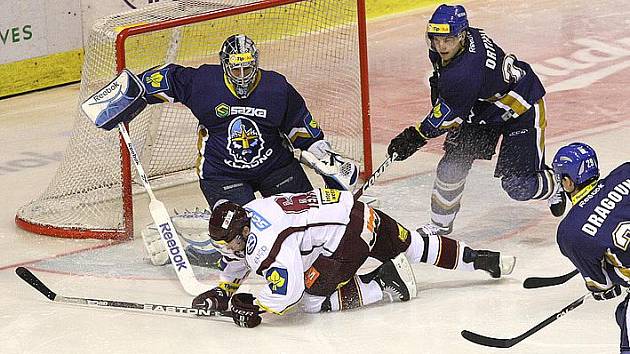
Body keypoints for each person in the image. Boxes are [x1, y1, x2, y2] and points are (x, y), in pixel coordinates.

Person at [89, 34, 359, 265]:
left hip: (276, 168)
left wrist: (324, 155)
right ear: (224, 65)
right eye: (236, 69)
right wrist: (130, 93)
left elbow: (300, 127)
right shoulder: (205, 83)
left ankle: (199, 226)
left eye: (247, 68)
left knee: (308, 226)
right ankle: (191, 243)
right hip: (224, 176)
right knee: (245, 239)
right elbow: (168, 79)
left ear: (256, 63)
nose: (242, 76)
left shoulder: (276, 87)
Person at [156, 188, 517, 328]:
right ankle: (481, 259)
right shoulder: (252, 212)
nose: (228, 250)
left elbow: (288, 294)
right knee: (414, 245)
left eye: (229, 243)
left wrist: (253, 305)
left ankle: (383, 284)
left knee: (311, 304)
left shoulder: (265, 242)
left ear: (242, 233)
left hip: (347, 239)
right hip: (357, 212)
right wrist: (225, 288)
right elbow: (240, 259)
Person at [386, 4, 565, 238]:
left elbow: (446, 117)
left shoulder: (464, 72)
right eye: (436, 38)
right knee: (451, 167)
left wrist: (415, 137)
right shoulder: (460, 43)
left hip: (521, 109)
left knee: (518, 186)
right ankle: (440, 226)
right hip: (483, 109)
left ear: (461, 36)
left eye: (447, 40)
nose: (441, 46)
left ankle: (556, 183)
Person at [552, 142, 630, 353]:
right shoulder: (625, 171)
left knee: (623, 315)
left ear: (567, 182)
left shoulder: (570, 232)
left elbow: (605, 287)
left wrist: (604, 272)